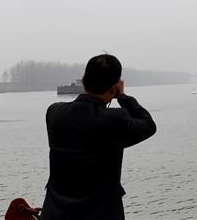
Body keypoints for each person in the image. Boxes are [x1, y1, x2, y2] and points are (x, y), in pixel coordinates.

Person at [41, 54, 156, 220]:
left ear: (83, 81)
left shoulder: (54, 113)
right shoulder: (115, 120)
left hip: (55, 213)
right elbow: (148, 125)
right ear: (114, 87)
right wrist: (123, 97)